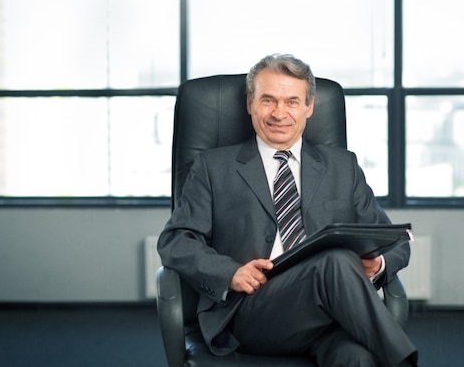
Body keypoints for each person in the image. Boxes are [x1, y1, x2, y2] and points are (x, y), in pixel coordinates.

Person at [158, 54, 418, 366]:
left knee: (358, 358)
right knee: (335, 261)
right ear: (250, 103)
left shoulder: (342, 166)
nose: (279, 113)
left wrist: (377, 264)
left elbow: (396, 242)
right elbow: (176, 241)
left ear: (309, 107)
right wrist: (230, 273)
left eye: (292, 102)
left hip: (328, 320)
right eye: (268, 100)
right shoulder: (213, 168)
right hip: (253, 312)